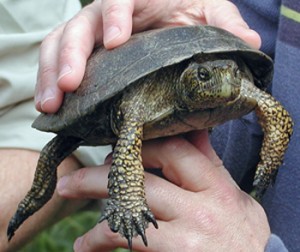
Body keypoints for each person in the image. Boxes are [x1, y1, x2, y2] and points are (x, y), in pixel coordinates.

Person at [0, 1, 297, 252]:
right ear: (190, 78)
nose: (224, 82)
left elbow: (274, 112)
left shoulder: (235, 83)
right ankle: (32, 203)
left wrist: (268, 165)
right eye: (205, 77)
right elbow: (130, 131)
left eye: (232, 73)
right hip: (139, 93)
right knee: (54, 151)